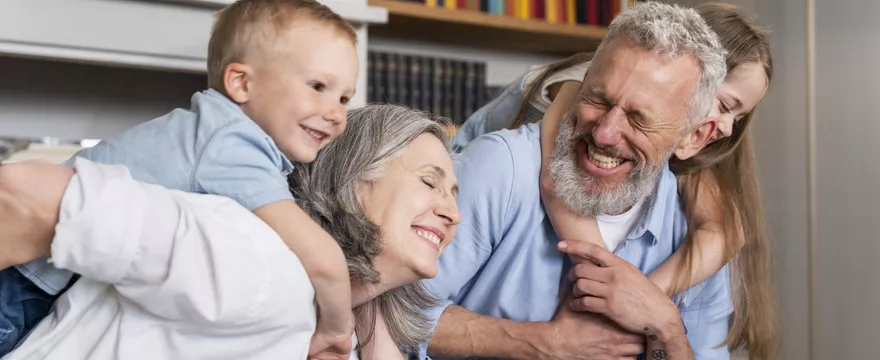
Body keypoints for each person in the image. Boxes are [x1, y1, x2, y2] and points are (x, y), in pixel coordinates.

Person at [0, 0, 360, 357]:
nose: (336, 114)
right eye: (317, 86)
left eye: (345, 98)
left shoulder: (212, 132)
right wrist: (336, 328)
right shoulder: (232, 145)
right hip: (22, 279)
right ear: (241, 83)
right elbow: (323, 260)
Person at [0, 104, 461, 360]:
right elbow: (27, 194)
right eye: (428, 182)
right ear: (353, 181)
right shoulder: (249, 256)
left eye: (454, 194)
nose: (453, 213)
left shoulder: (343, 321)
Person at [455, 3, 779, 358]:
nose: (728, 127)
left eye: (739, 114)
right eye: (725, 104)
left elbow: (726, 231)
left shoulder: (686, 186)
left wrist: (654, 307)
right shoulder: (565, 105)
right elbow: (554, 182)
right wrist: (595, 304)